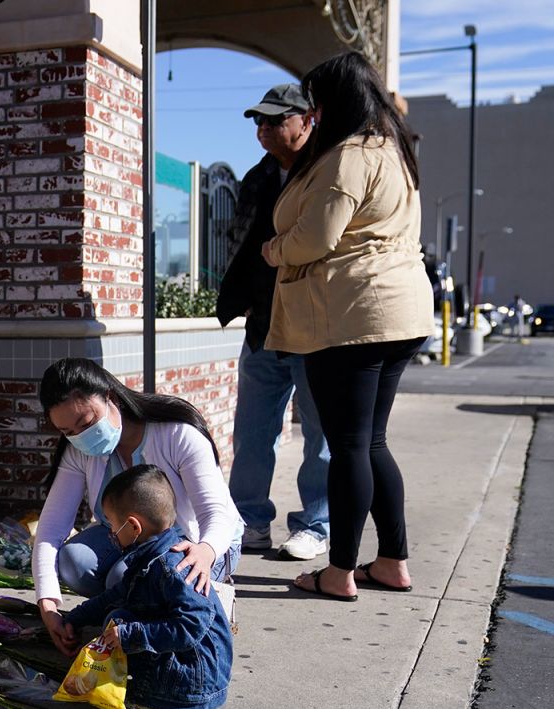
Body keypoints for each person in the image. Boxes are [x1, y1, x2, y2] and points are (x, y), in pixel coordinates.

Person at [261, 51, 432, 601]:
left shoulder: (350, 156)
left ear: (335, 102)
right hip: (400, 309)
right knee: (372, 442)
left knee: (350, 445)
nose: (312, 112)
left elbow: (316, 239)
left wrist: (273, 250)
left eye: (316, 101)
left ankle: (338, 573)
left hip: (356, 313)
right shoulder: (396, 150)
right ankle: (391, 562)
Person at [33, 358, 243, 654]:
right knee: (75, 562)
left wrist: (206, 551)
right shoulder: (78, 453)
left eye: (88, 423)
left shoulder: (177, 434)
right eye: (68, 432)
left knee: (130, 578)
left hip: (198, 541)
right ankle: (142, 605)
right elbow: (51, 529)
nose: (80, 437)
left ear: (111, 398)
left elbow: (215, 514)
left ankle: (190, 606)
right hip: (129, 539)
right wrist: (48, 602)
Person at [217, 83, 331, 561]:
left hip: (313, 323)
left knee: (319, 435)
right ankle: (249, 521)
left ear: (307, 120)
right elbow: (239, 245)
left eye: (275, 119)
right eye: (258, 121)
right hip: (263, 324)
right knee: (252, 432)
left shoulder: (326, 171)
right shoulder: (256, 178)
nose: (263, 128)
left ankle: (316, 523)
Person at [59, 465, 233, 709]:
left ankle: (161, 700)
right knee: (118, 615)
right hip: (194, 676)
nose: (110, 532)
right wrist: (75, 618)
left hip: (194, 682)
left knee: (121, 625)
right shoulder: (149, 556)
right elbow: (118, 594)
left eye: (112, 524)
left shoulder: (171, 567)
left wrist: (130, 636)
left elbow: (192, 625)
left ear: (133, 527)